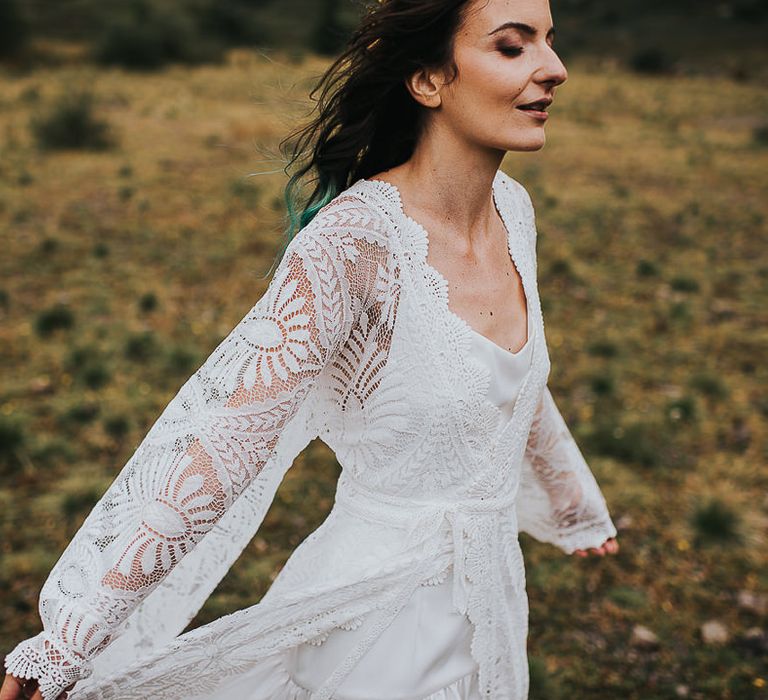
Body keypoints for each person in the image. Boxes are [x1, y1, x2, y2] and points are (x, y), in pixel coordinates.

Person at [1, 0, 620, 698]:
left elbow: (506, 384)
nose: (556, 69)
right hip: (378, 622)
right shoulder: (353, 245)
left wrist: (573, 504)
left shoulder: (515, 212)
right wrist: (68, 641)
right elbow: (227, 438)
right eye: (513, 47)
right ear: (427, 80)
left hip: (491, 597)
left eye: (550, 42)